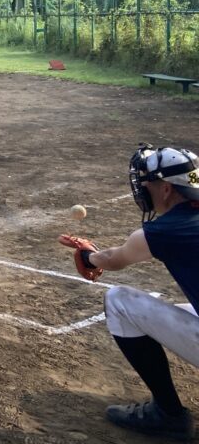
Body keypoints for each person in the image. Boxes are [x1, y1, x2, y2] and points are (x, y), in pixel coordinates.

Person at [59, 144, 199, 439]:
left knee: (119, 301)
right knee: (184, 307)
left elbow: (113, 259)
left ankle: (168, 413)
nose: (144, 189)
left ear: (166, 190)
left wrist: (87, 256)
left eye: (149, 183)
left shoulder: (165, 230)